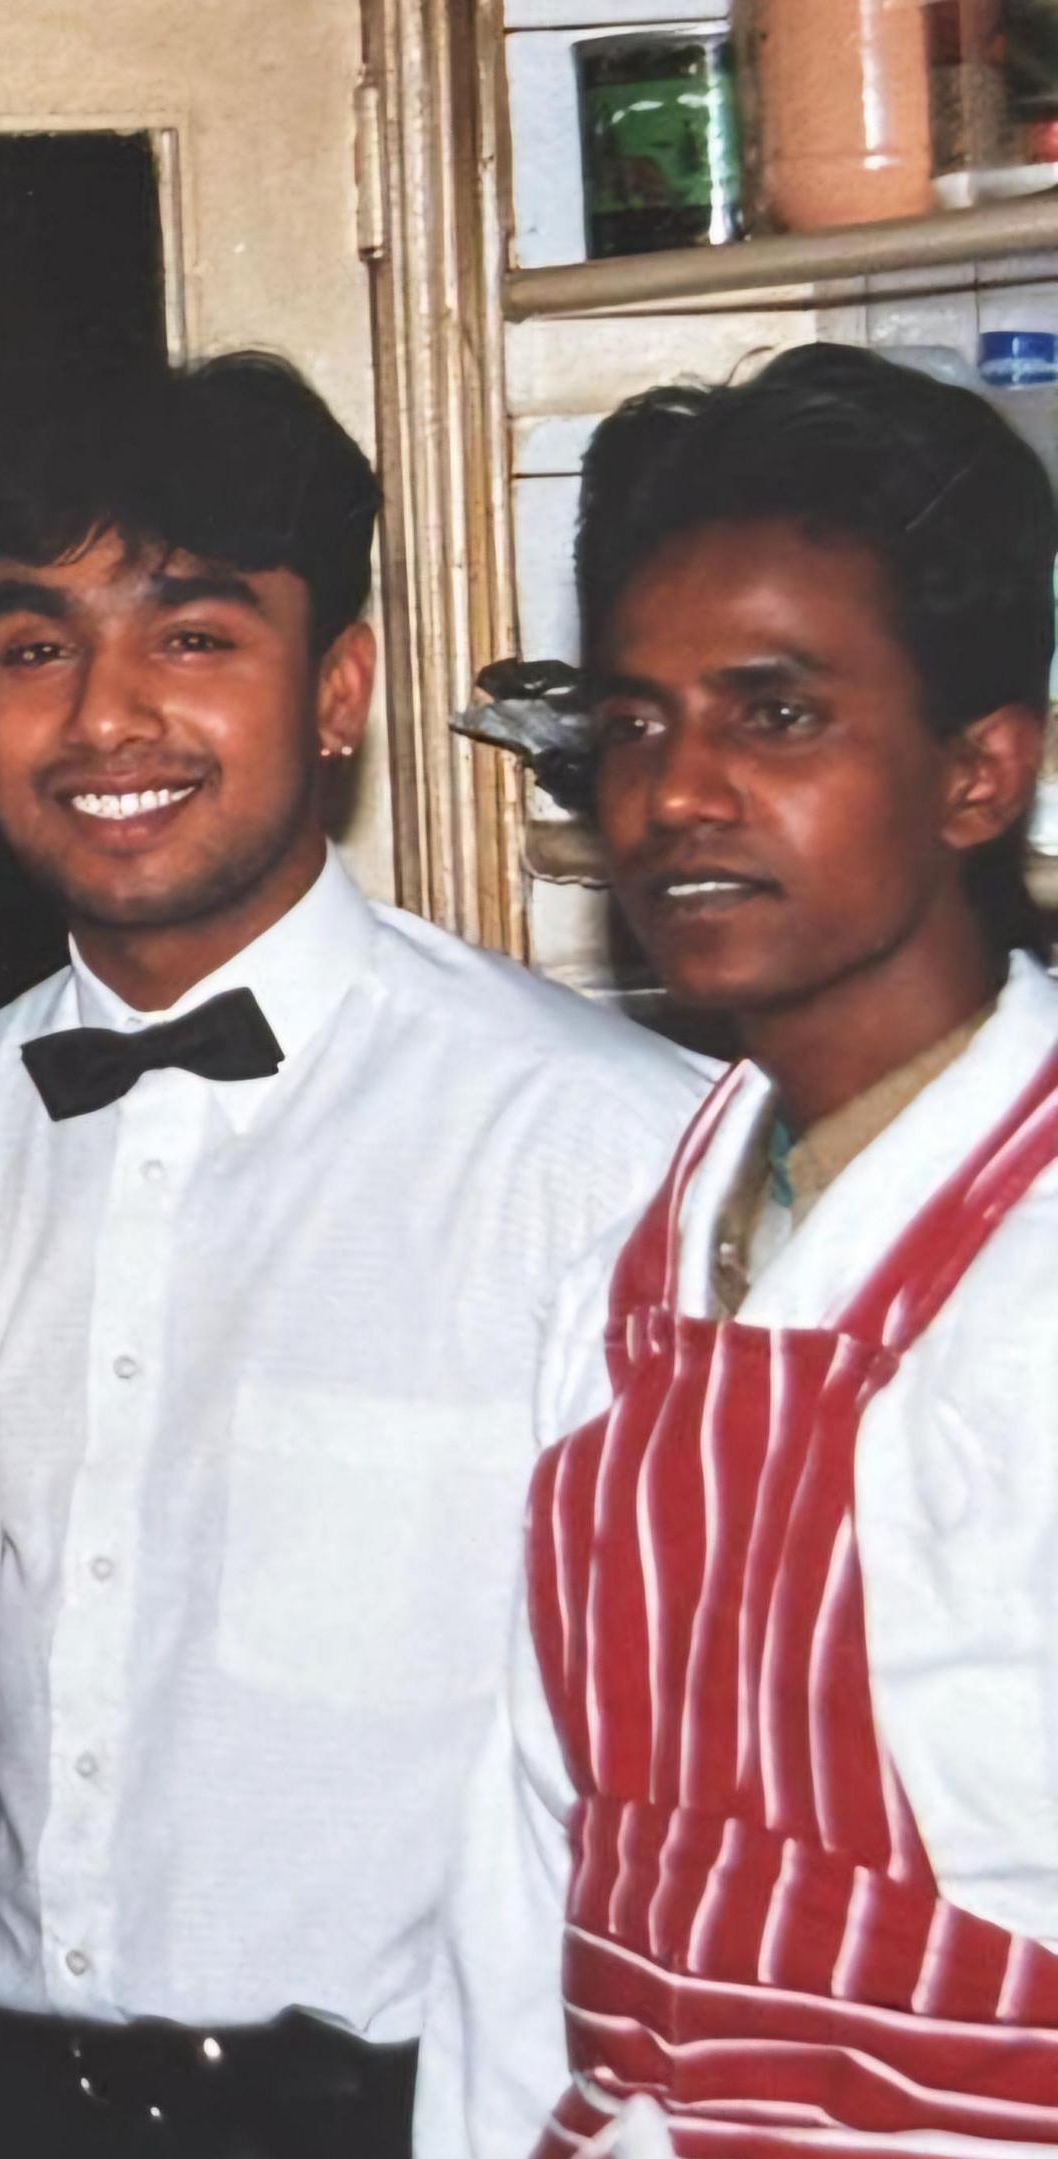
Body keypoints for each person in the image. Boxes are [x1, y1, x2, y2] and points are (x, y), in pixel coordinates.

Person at [0, 355, 706, 2159]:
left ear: (339, 690)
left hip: (435, 2120)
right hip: (26, 2118)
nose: (108, 718)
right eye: (35, 648)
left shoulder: (604, 1149)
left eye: (192, 639)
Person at [421, 343, 1058, 2159]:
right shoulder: (641, 1260)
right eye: (633, 723)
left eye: (775, 715)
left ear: (976, 773)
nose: (675, 794)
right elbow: (524, 1877)